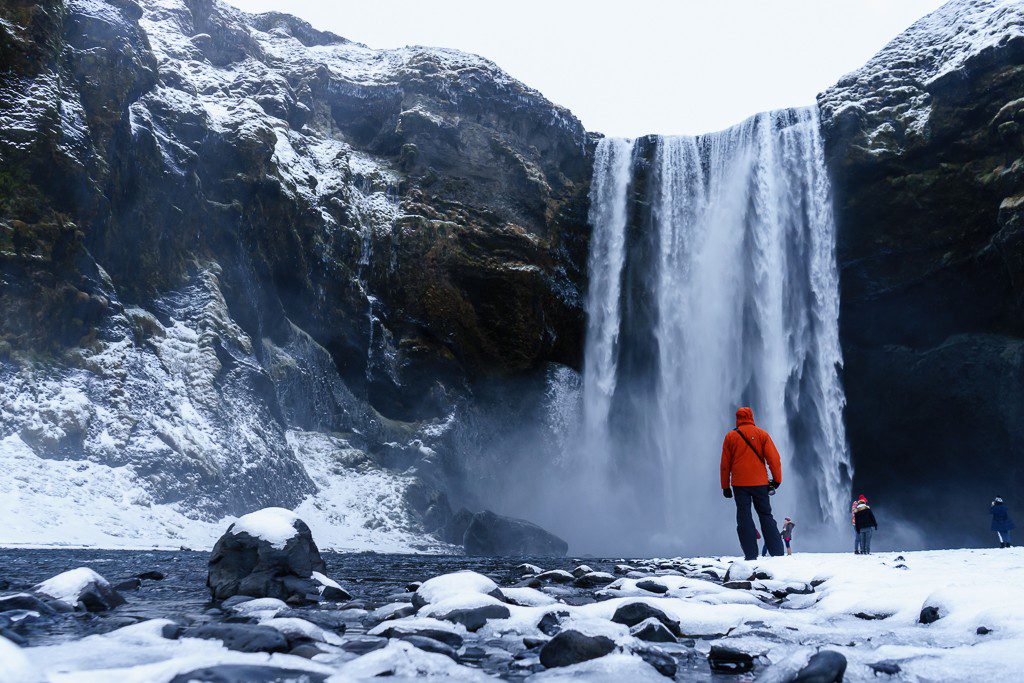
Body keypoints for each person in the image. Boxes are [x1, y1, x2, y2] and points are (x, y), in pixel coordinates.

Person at [720, 406, 784, 560]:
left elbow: (725, 464)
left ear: (738, 418)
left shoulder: (730, 436)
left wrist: (725, 486)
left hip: (739, 484)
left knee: (744, 517)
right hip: (760, 483)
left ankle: (750, 555)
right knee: (766, 515)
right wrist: (777, 480)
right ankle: (777, 552)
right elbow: (774, 459)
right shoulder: (762, 434)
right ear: (751, 417)